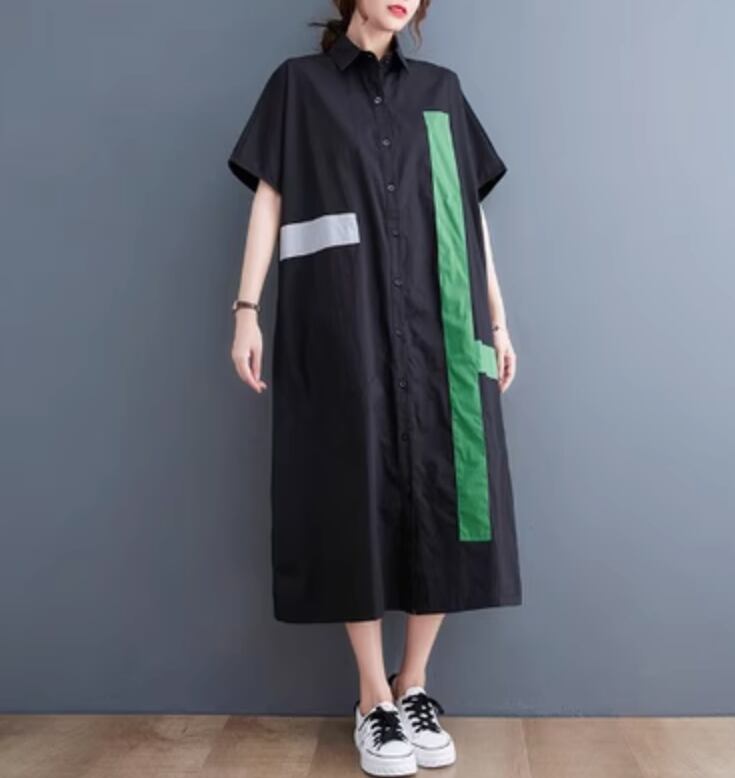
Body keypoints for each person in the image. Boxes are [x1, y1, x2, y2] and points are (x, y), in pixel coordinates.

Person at [226, 1, 522, 774]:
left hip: (442, 330)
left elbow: (470, 217)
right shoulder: (300, 87)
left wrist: (497, 319)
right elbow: (270, 198)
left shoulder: (441, 92)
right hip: (342, 326)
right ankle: (371, 697)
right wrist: (247, 309)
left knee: (452, 493)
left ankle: (413, 683)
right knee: (349, 496)